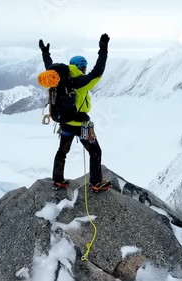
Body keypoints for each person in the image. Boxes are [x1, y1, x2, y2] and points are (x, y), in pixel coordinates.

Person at [38, 33, 112, 192]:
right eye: (84, 67)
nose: (85, 70)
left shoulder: (58, 79)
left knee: (62, 151)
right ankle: (96, 183)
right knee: (95, 151)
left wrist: (45, 53)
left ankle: (58, 180)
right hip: (81, 125)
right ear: (82, 67)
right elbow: (98, 72)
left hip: (65, 124)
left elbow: (49, 66)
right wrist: (103, 49)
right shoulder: (81, 82)